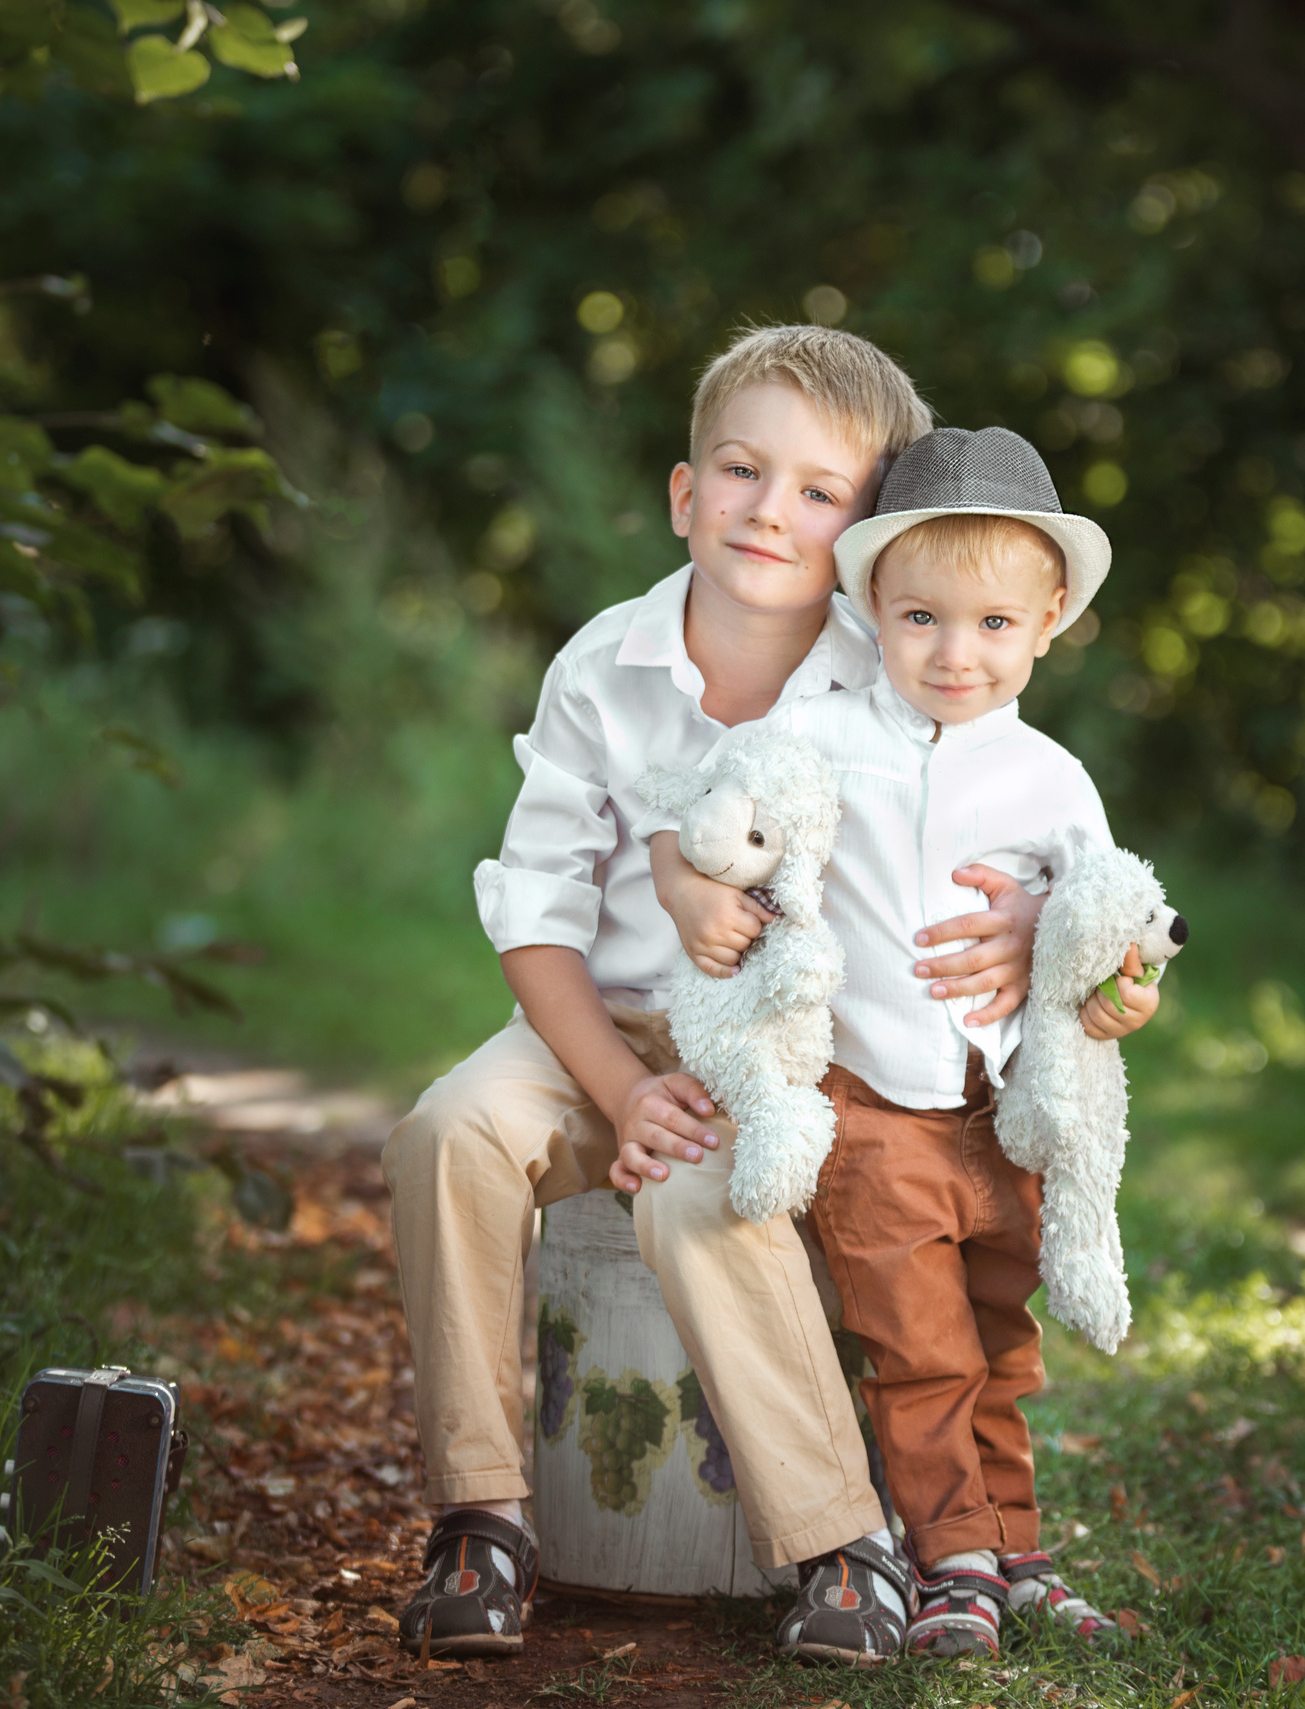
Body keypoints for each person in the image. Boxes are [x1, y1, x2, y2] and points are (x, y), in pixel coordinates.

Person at [384, 327, 1047, 1664]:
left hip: (773, 1059)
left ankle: (837, 1540)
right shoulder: (602, 667)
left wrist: (1038, 919)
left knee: (709, 1192)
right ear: (687, 493)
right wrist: (618, 1086)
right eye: (742, 470)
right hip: (588, 1028)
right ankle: (481, 1516)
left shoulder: (892, 672)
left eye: (819, 491)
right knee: (447, 1131)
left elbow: (1013, 802)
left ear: (866, 536)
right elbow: (538, 909)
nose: (769, 510)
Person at [647, 426, 1164, 1658]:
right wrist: (687, 880)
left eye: (993, 625)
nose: (954, 652)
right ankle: (955, 1562)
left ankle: (1020, 1547)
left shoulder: (1052, 777)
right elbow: (707, 810)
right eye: (922, 617)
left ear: (1047, 624)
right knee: (919, 1348)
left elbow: (1123, 925)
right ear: (872, 603)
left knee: (999, 1341)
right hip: (871, 1101)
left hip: (1008, 1110)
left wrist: (1116, 990)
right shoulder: (825, 737)